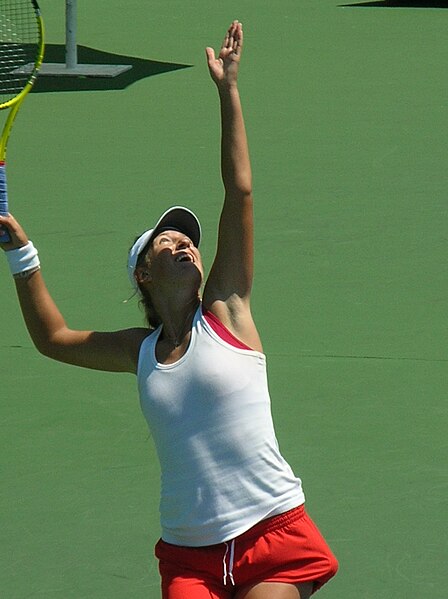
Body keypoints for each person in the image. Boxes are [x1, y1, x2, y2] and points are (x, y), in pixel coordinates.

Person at [0, 21, 338, 599]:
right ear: (144, 274)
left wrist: (228, 91)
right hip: (189, 552)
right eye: (166, 241)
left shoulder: (228, 312)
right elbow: (53, 338)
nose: (183, 243)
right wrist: (21, 254)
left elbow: (240, 193)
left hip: (273, 530)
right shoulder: (140, 353)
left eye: (189, 241)